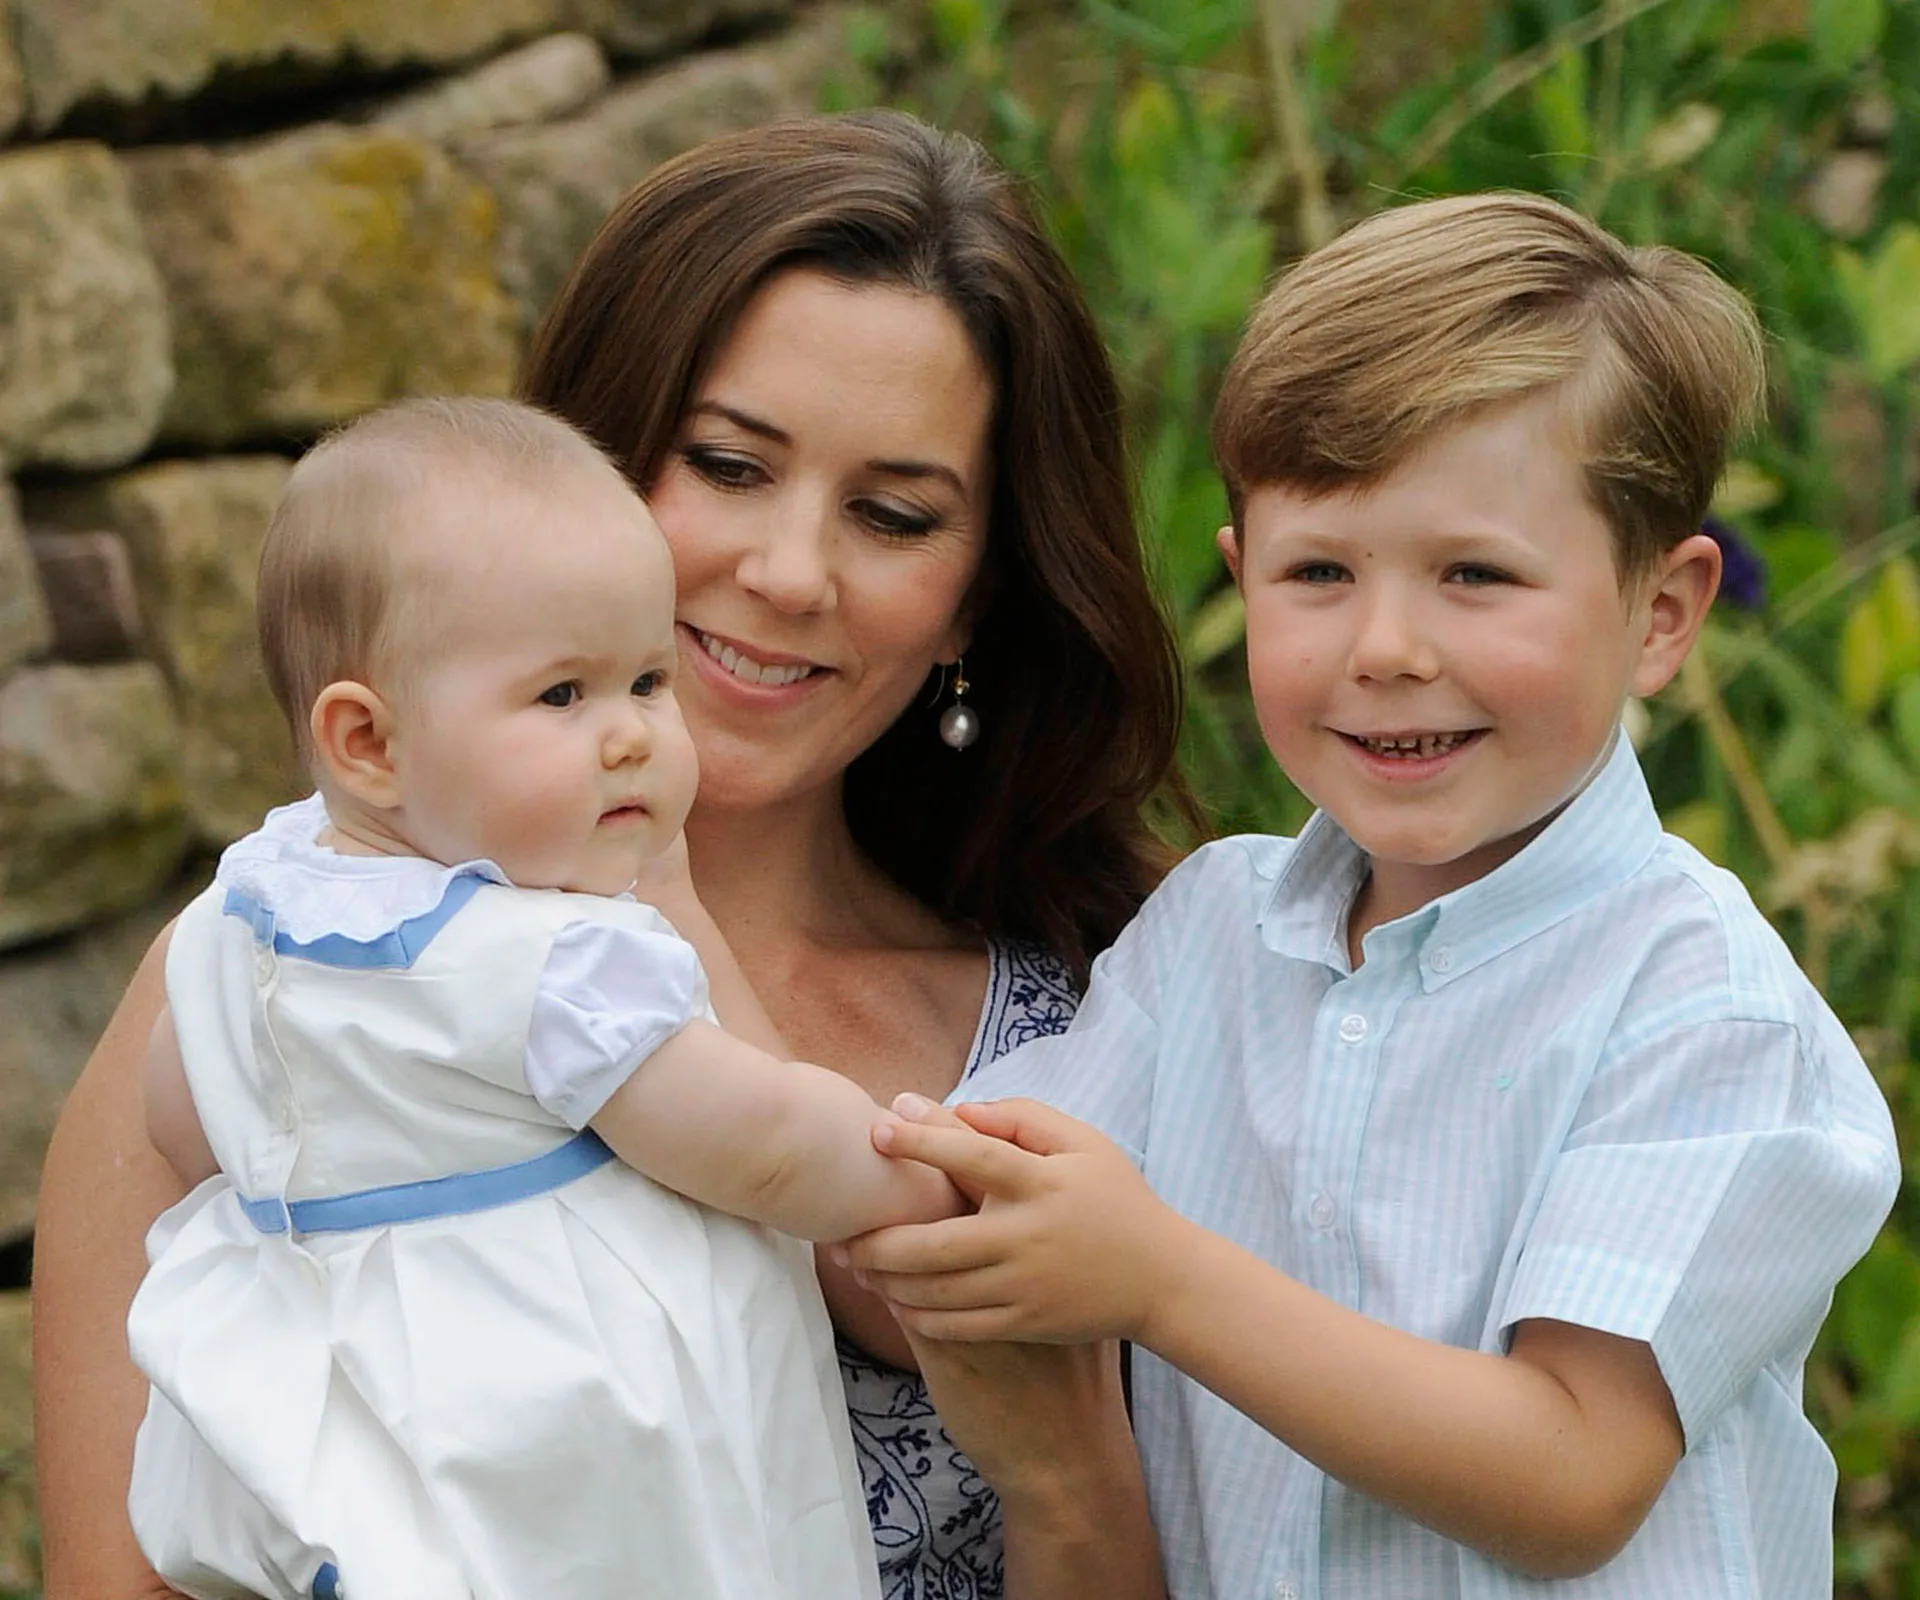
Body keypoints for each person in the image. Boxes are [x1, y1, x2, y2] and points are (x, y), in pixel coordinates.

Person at [33, 111, 1187, 1600]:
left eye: (894, 515)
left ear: (976, 597)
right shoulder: (272, 988)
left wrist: (1065, 1466)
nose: (785, 571)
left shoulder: (1109, 1025)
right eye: (724, 464)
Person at [846, 192, 1904, 1598]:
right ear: (1241, 581)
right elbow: (962, 1212)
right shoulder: (1208, 938)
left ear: (1662, 612)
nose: (1386, 647)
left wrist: (1159, 1279)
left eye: (1475, 574)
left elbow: (1571, 1477)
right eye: (1320, 573)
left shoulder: (1701, 1011)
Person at [129, 395, 981, 1600]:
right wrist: (910, 1168)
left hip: (369, 1467)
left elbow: (189, 1118)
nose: (632, 734)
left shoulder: (246, 914)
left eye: (645, 678)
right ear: (369, 742)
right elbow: (763, 1143)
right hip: (578, 1470)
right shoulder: (556, 959)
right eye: (562, 698)